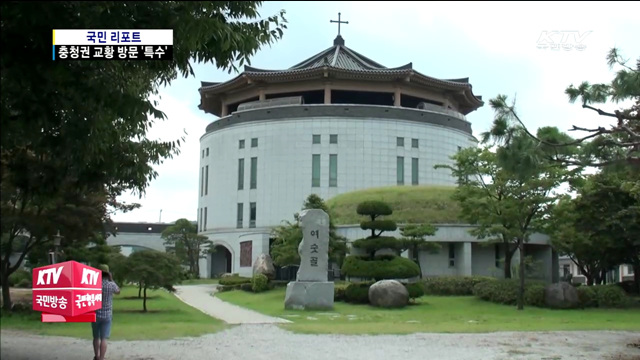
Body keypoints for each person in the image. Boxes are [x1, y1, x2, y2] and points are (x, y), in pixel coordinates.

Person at [92, 264, 120, 360]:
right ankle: (102, 358)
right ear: (108, 274)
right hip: (107, 314)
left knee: (96, 337)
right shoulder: (111, 285)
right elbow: (118, 291)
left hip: (95, 314)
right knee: (104, 338)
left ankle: (96, 356)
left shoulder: (94, 285)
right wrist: (111, 279)